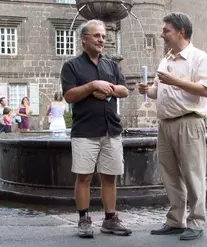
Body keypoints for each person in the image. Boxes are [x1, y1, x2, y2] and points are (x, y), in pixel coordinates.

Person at [138, 12, 207, 241]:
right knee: (169, 175)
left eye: (166, 31)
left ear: (181, 32)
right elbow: (159, 91)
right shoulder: (166, 60)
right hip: (166, 124)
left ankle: (196, 222)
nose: (162, 35)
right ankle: (175, 221)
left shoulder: (199, 58)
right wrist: (147, 91)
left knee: (193, 174)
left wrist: (175, 81)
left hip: (189, 122)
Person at [61, 19, 131, 239]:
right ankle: (83, 219)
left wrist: (108, 89)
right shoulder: (72, 66)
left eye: (103, 36)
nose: (102, 39)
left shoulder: (111, 65)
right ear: (84, 39)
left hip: (111, 130)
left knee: (110, 177)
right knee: (84, 178)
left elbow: (125, 90)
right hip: (85, 131)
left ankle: (110, 219)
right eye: (97, 35)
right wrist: (91, 86)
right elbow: (69, 95)